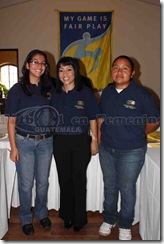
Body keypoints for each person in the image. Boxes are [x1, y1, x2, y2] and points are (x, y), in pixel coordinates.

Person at [98, 55, 160, 240]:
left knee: (126, 188)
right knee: (109, 186)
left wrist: (140, 132)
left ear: (132, 73)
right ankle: (109, 219)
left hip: (131, 151)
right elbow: (102, 118)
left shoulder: (142, 94)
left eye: (125, 68)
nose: (119, 71)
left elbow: (155, 121)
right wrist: (100, 139)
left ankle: (125, 224)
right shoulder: (107, 92)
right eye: (116, 68)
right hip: (107, 149)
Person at [5, 49, 54, 235]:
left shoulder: (49, 88)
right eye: (35, 62)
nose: (39, 66)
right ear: (27, 65)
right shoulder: (17, 90)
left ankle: (42, 214)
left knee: (43, 182)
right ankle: (25, 218)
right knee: (26, 184)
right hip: (24, 142)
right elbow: (11, 121)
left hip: (46, 142)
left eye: (42, 63)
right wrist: (13, 147)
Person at [51, 56, 99, 232]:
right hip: (60, 141)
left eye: (69, 69)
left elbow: (93, 118)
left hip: (80, 141)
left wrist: (94, 141)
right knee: (65, 180)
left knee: (79, 179)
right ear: (58, 73)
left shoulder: (85, 92)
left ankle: (79, 218)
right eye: (61, 70)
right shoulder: (54, 94)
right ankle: (67, 216)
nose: (65, 74)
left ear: (75, 72)